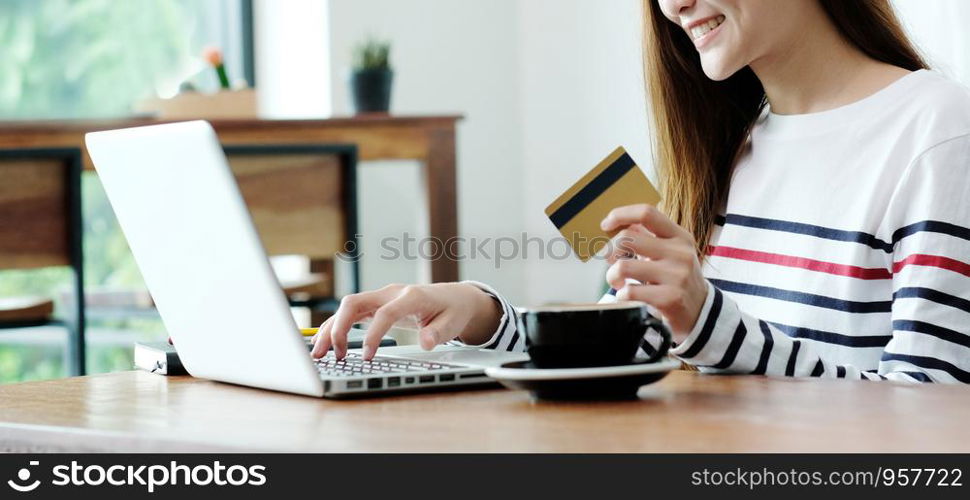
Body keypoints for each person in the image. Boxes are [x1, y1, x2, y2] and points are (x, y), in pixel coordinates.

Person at [312, 0, 970, 384]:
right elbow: (631, 349)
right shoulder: (729, 144)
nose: (673, 2)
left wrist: (707, 321)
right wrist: (483, 317)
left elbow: (923, 422)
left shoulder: (935, 131)